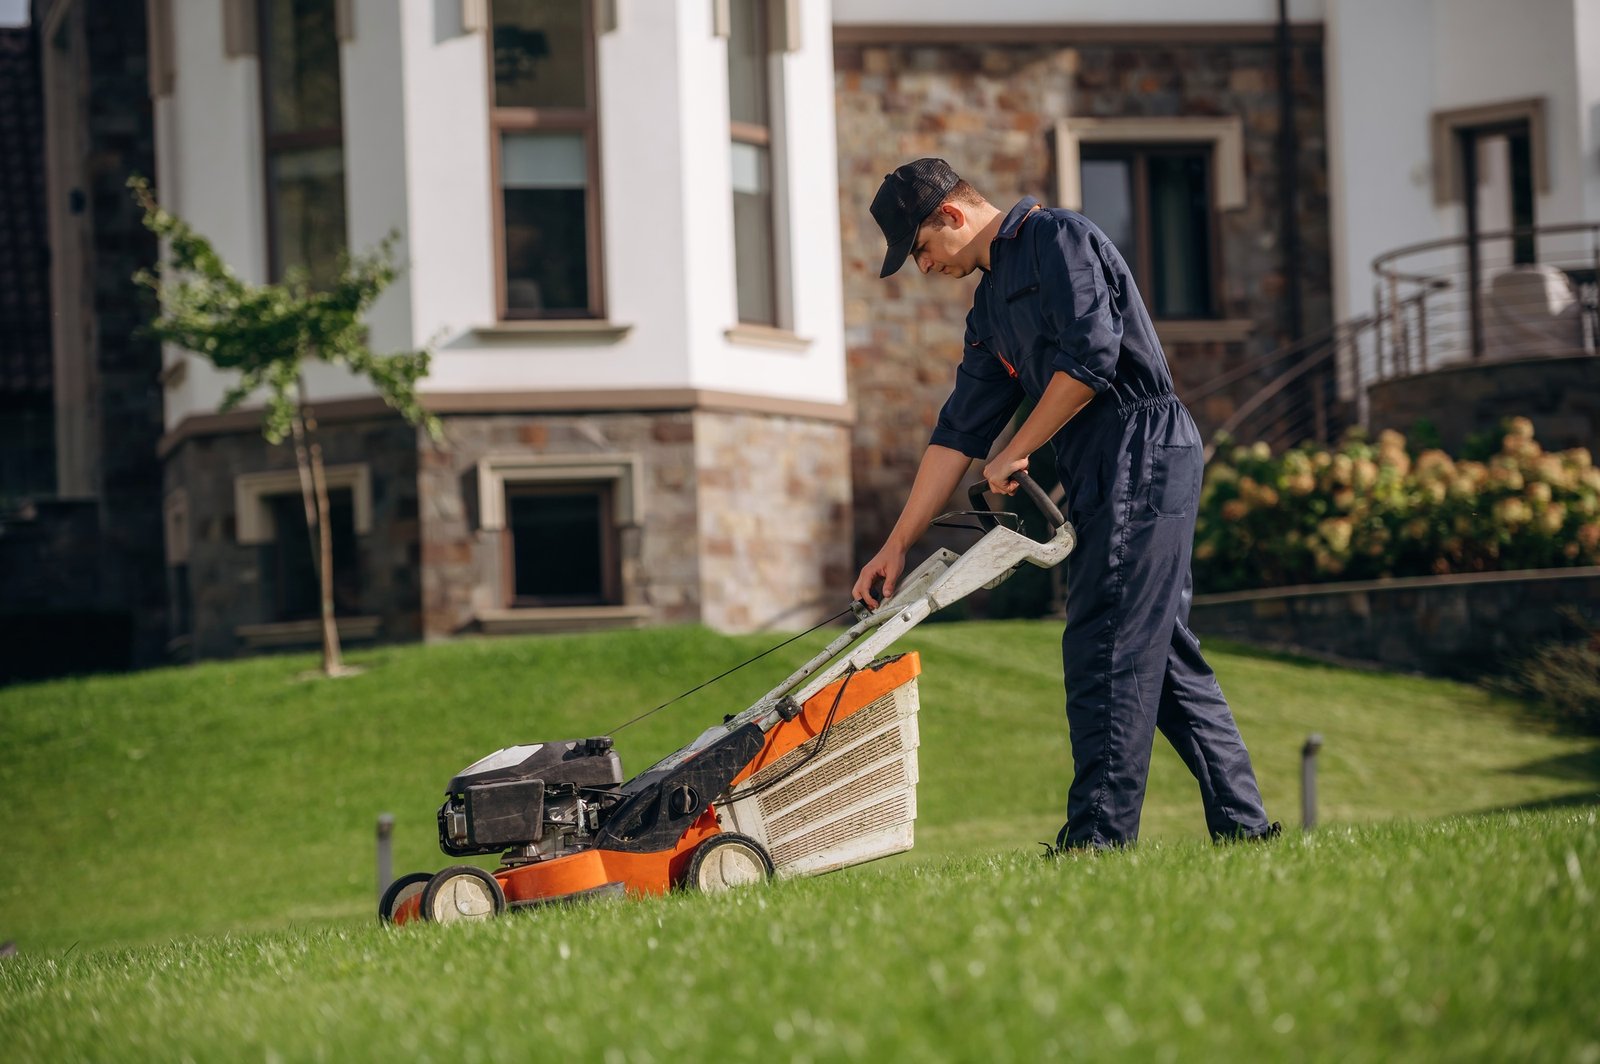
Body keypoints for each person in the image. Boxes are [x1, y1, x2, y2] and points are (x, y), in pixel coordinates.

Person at [853, 158, 1278, 850]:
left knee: (1103, 641)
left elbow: (1091, 361)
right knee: (1161, 653)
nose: (923, 268)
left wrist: (1017, 449)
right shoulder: (990, 308)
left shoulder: (1058, 239)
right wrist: (897, 543)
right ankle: (1246, 830)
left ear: (952, 215)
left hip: (1142, 442)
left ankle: (1097, 841)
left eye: (921, 249)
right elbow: (958, 431)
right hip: (1098, 462)